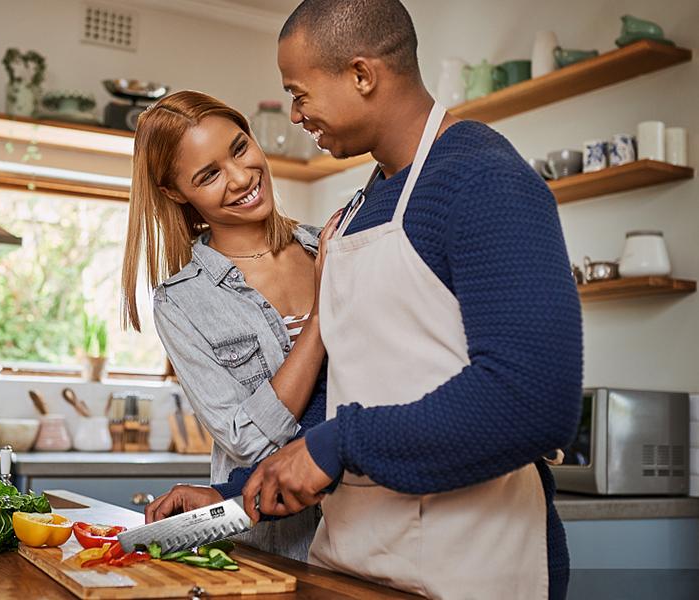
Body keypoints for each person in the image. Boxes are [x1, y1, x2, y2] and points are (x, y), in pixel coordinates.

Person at [236, 1, 584, 599]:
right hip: (352, 562)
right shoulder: (357, 212)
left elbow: (533, 400)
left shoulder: (484, 179)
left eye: (299, 92)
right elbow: (351, 385)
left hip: (472, 565)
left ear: (362, 75)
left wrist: (339, 444)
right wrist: (244, 488)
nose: (295, 114)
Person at [120, 90, 340, 561]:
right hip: (276, 552)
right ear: (176, 192)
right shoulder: (182, 303)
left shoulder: (333, 245)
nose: (241, 178)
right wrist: (321, 320)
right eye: (209, 174)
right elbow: (248, 439)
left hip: (371, 536)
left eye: (240, 148)